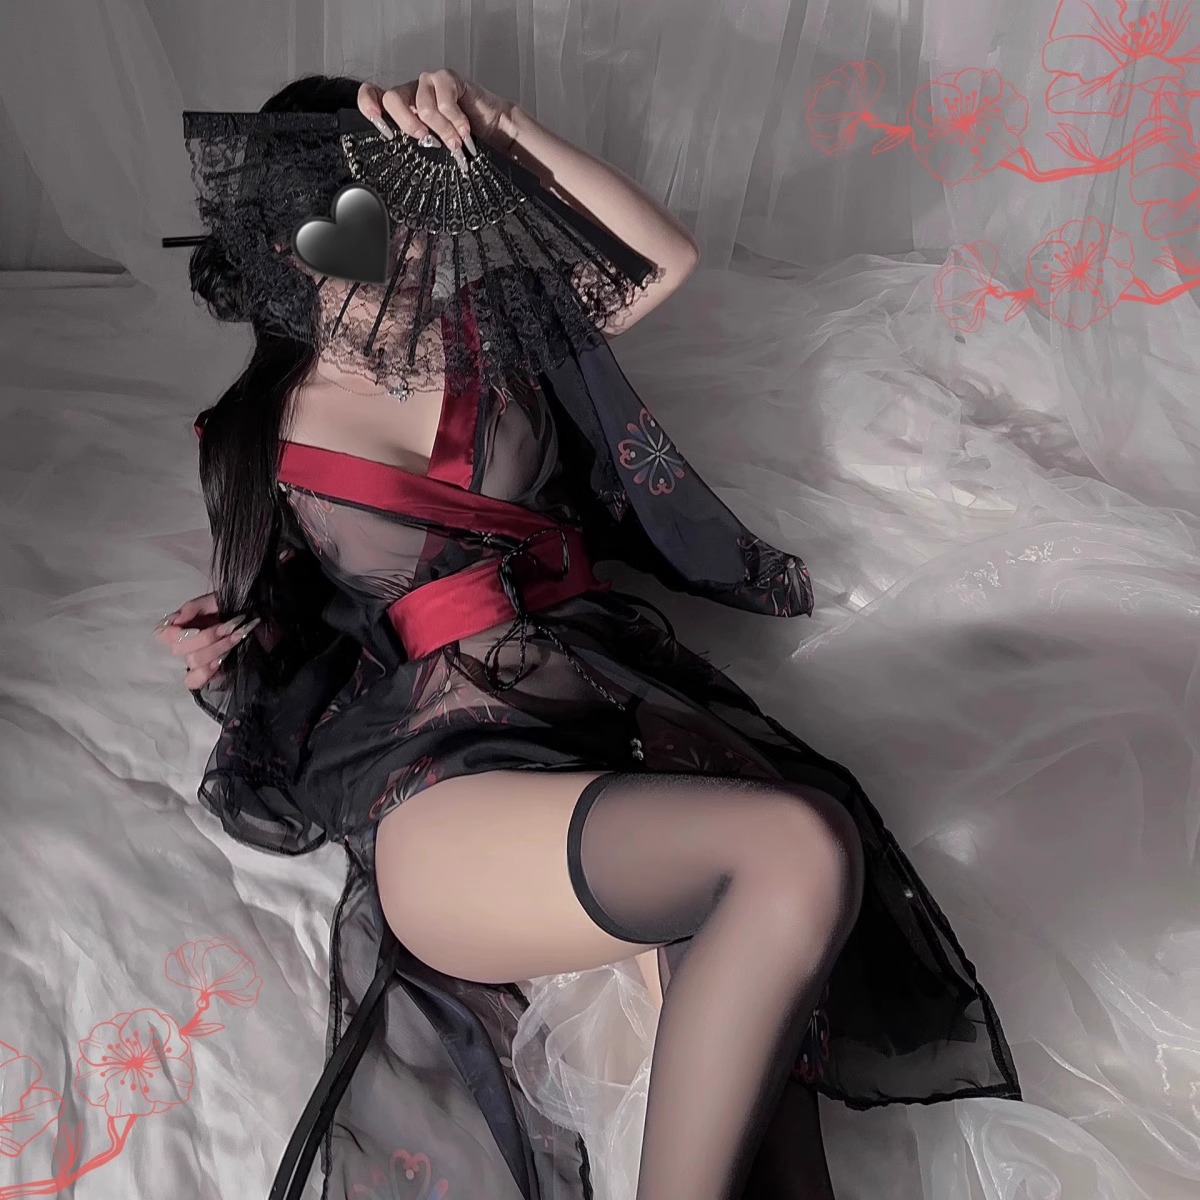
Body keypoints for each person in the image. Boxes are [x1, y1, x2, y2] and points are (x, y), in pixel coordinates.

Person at [156, 69, 1019, 1200]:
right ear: (286, 242)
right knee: (798, 848)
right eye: (354, 222)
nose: (397, 252)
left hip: (615, 715)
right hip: (444, 785)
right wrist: (228, 646)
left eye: (407, 212)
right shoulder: (251, 432)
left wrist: (501, 127)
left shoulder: (501, 333)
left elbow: (662, 260)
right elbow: (292, 627)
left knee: (775, 1120)